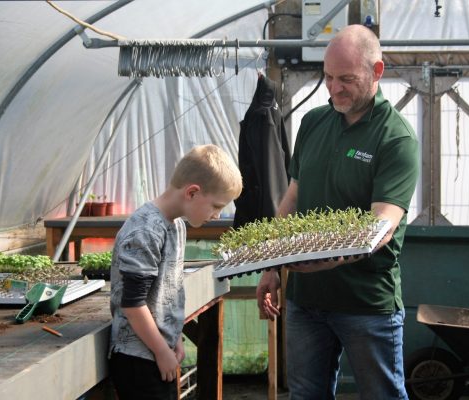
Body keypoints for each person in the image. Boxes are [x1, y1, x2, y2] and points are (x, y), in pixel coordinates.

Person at [256, 24, 419, 400]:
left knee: (383, 395)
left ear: (377, 71)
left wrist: (326, 259)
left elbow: (383, 223)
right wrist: (271, 266)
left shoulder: (395, 138)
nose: (333, 88)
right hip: (305, 301)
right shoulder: (314, 122)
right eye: (327, 77)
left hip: (366, 304)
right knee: (305, 395)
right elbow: (293, 197)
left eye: (346, 79)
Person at [109, 144, 243, 400]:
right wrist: (161, 351)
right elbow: (133, 305)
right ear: (192, 192)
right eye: (216, 206)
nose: (216, 216)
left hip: (157, 351)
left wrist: (173, 337)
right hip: (137, 357)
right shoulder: (146, 230)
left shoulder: (176, 226)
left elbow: (167, 293)